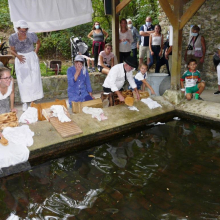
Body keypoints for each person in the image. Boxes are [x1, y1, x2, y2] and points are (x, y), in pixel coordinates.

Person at [9, 20, 43, 112]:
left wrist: (35, 52)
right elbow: (11, 50)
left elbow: (38, 43)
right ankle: (25, 102)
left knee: (34, 79)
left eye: (25, 31)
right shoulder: (13, 37)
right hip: (21, 58)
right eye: (21, 31)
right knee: (23, 81)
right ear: (18, 29)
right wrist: (17, 56)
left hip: (32, 57)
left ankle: (32, 101)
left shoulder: (32, 35)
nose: (23, 33)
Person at [0, 67, 17, 138]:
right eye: (6, 78)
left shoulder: (11, 81)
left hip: (4, 100)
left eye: (10, 77)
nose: (9, 80)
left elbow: (12, 93)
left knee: (10, 125)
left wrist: (12, 108)